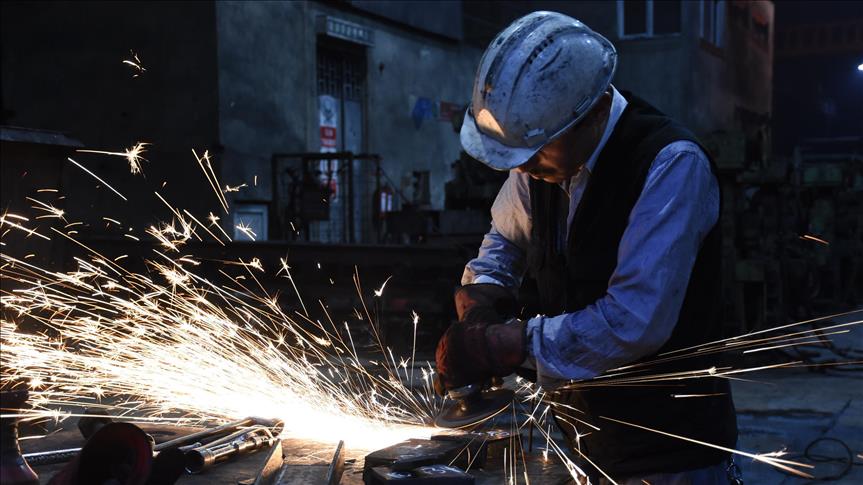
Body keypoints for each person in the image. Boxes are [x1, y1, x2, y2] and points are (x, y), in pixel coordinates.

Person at [435, 11, 741, 484]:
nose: (525, 167)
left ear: (596, 111)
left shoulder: (671, 164)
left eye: (536, 152)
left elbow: (633, 321)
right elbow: (503, 242)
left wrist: (506, 343)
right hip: (586, 440)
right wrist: (481, 301)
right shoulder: (540, 159)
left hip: (671, 454)